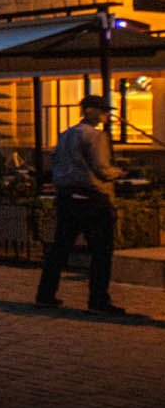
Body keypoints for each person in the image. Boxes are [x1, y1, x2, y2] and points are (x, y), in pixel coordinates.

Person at [35, 94, 126, 314]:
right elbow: (101, 169)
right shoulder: (95, 136)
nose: (106, 114)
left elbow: (55, 162)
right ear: (88, 111)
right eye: (102, 110)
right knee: (101, 251)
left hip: (67, 197)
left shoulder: (65, 134)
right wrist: (120, 173)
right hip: (92, 199)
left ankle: (45, 294)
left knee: (60, 248)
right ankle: (98, 300)